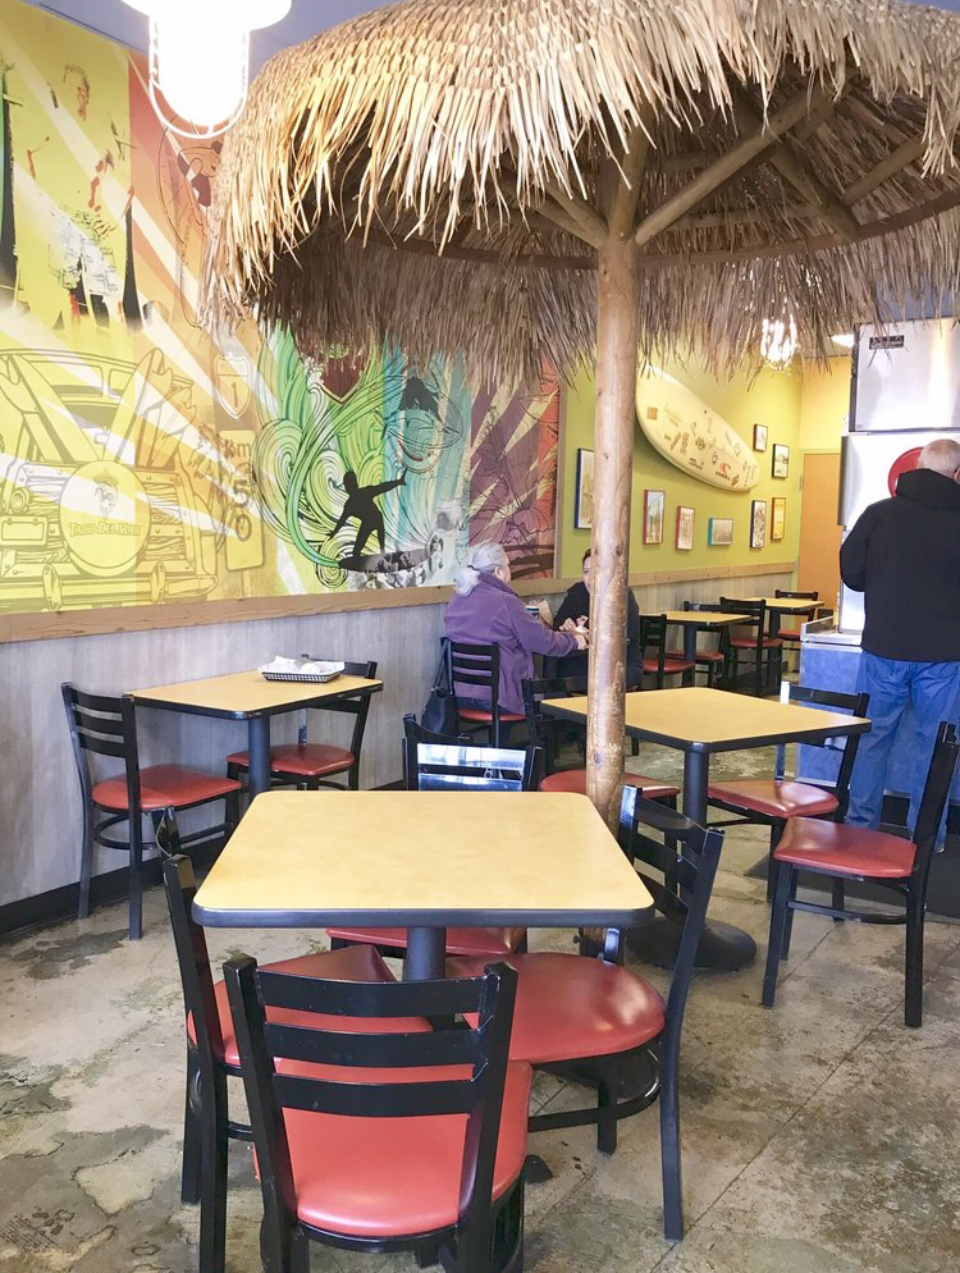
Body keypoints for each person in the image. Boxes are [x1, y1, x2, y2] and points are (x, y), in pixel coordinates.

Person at [840, 437, 960, 835]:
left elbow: (851, 574)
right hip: (944, 656)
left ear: (919, 466)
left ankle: (860, 828)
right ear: (956, 473)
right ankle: (926, 836)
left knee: (871, 739)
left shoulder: (879, 514)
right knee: (935, 746)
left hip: (884, 647)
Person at [444, 542, 586, 716]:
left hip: (458, 694)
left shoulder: (457, 599)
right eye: (508, 566)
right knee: (559, 699)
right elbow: (543, 641)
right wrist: (574, 641)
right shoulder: (504, 602)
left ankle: (501, 735)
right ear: (499, 571)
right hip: (499, 698)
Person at [548, 548, 642, 689]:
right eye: (586, 572)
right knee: (556, 668)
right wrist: (565, 623)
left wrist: (588, 634)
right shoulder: (577, 592)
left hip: (620, 661)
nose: (590, 578)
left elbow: (629, 637)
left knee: (598, 678)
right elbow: (558, 622)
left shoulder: (622, 596)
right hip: (581, 659)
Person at [330, 469, 406, 561]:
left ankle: (383, 554)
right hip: (368, 523)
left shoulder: (362, 494)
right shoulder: (350, 504)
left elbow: (382, 487)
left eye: (349, 484)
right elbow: (342, 520)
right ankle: (362, 560)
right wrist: (334, 532)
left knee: (377, 545)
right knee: (356, 552)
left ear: (354, 485)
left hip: (376, 519)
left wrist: (398, 482)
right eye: (346, 485)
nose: (347, 487)